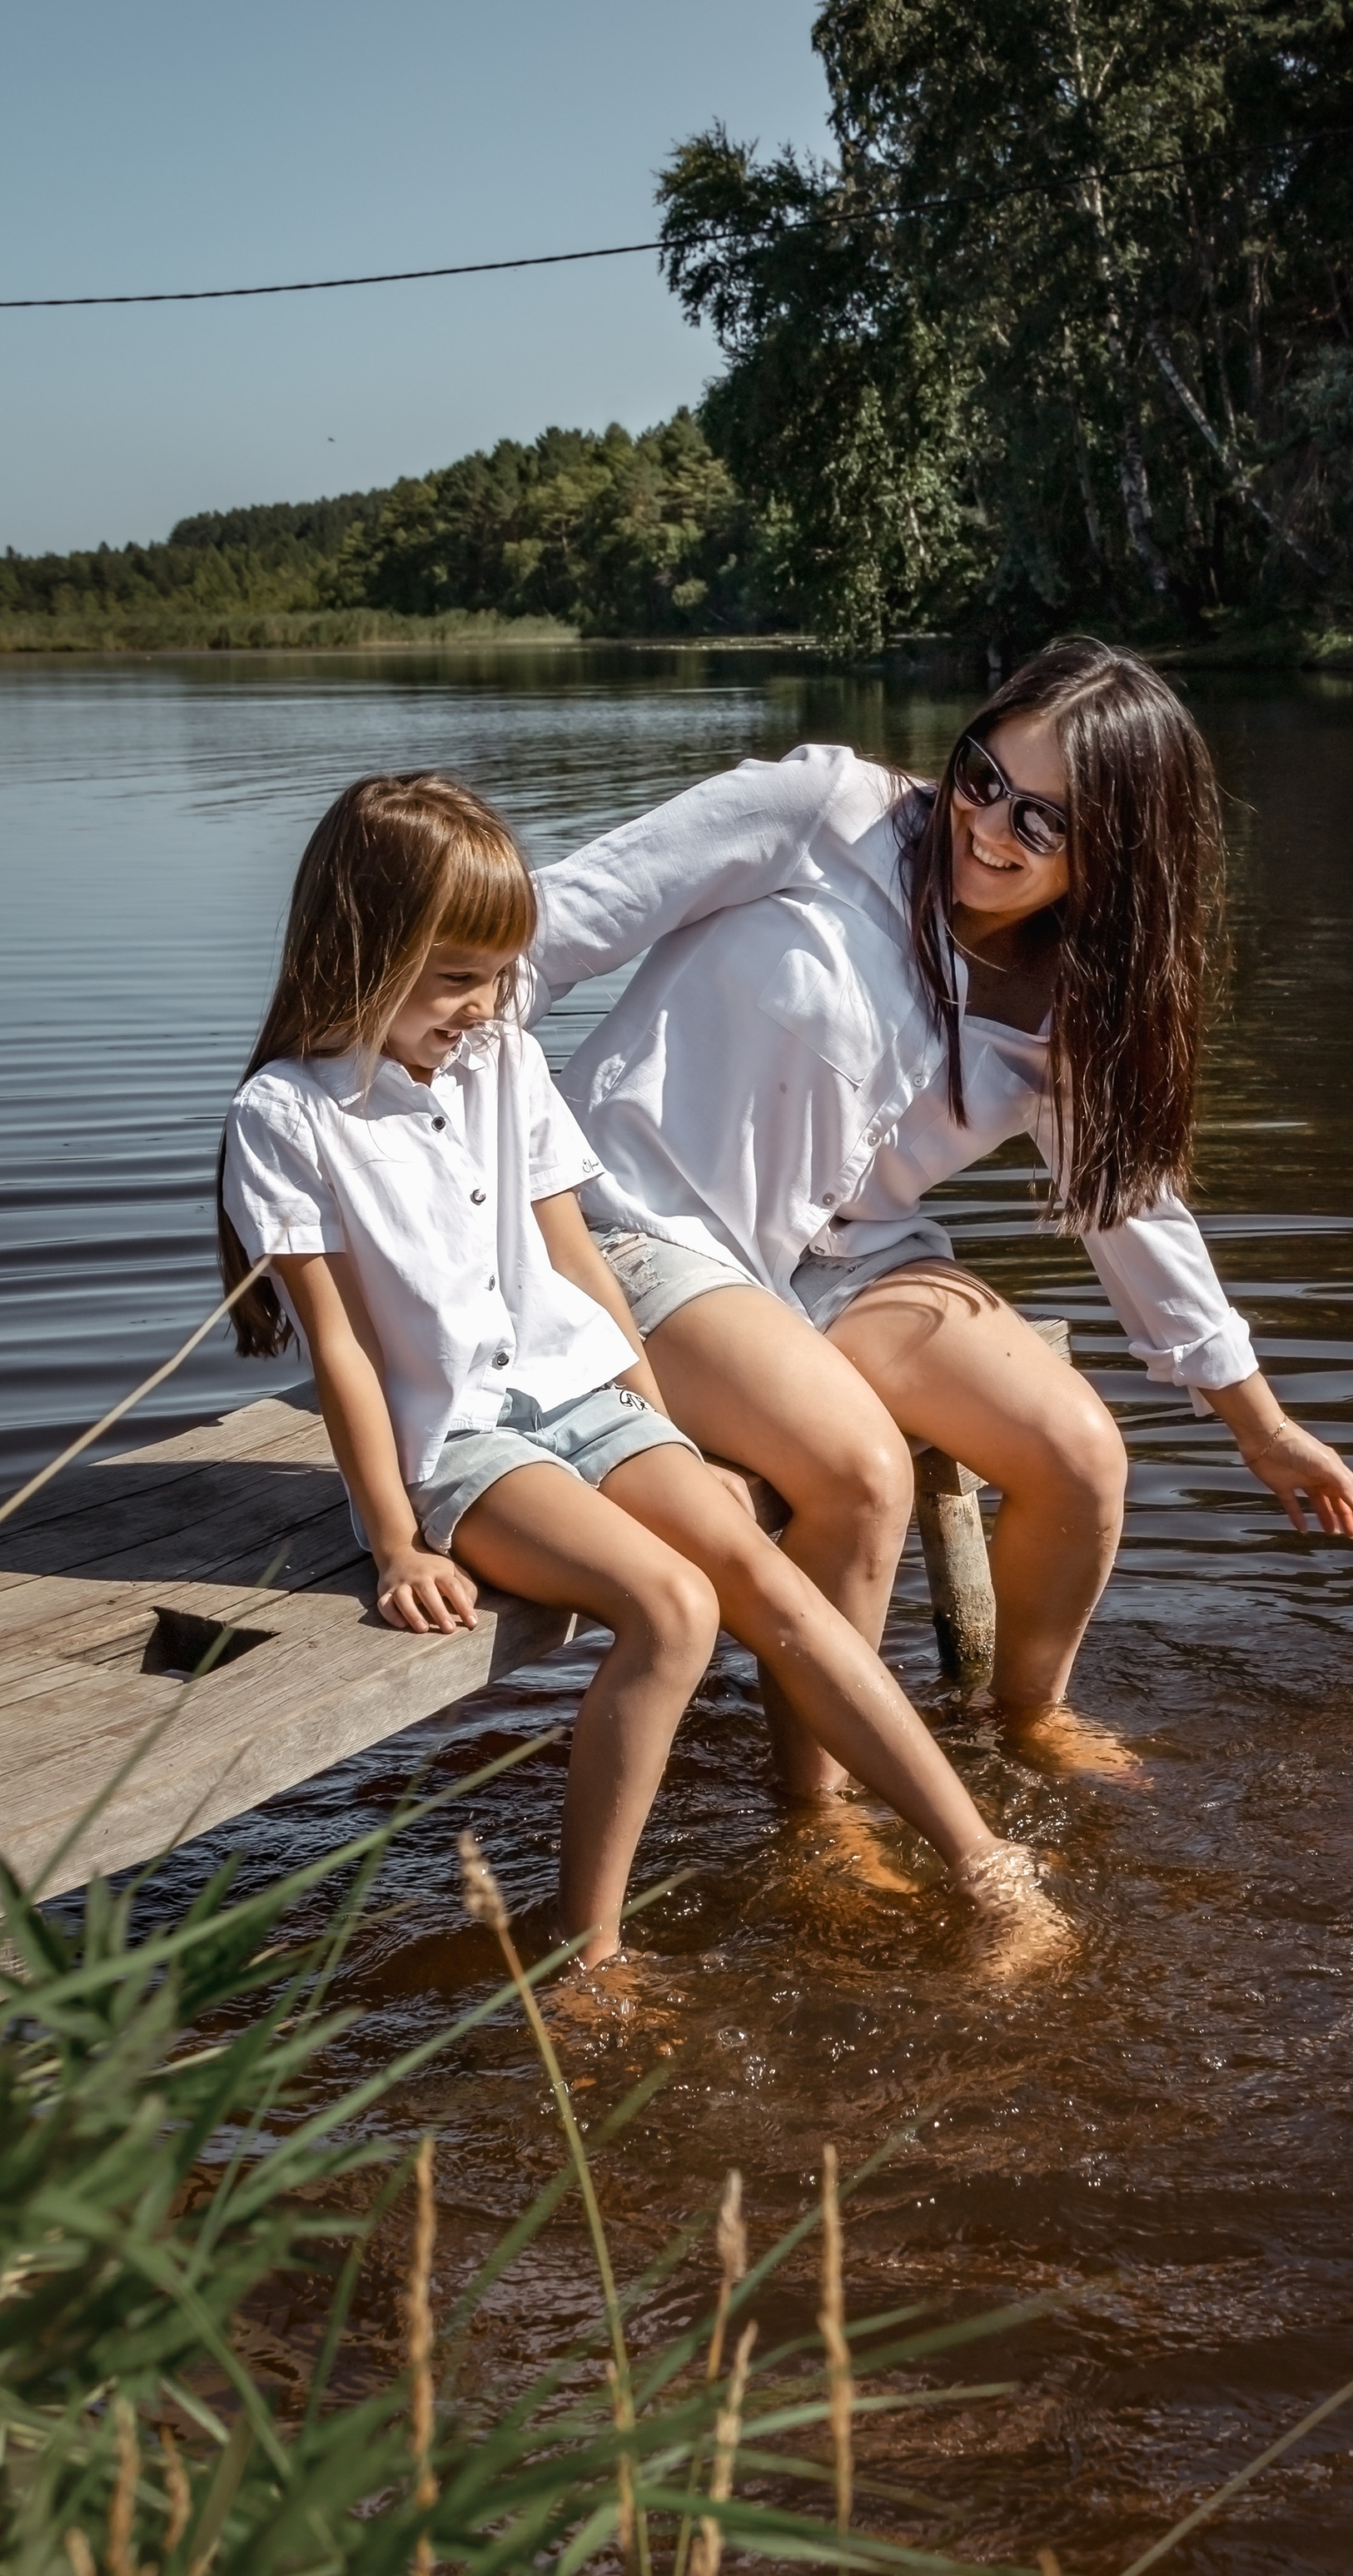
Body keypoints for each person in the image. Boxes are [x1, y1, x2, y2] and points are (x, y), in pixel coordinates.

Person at [217, 773, 1049, 1967]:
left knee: (770, 1585)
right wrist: (397, 1540)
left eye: (498, 974)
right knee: (672, 1610)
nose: (485, 1003)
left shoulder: (502, 1058)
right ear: (363, 949)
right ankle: (585, 1950)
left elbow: (577, 1261)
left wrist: (664, 1432)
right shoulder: (286, 1117)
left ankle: (986, 1870)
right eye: (455, 977)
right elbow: (343, 1349)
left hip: (586, 1395)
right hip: (464, 1444)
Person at [528, 637, 1353, 1793]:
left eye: (1044, 823)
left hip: (836, 1260)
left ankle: (1022, 1725)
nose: (987, 827)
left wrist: (1258, 1423)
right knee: (863, 1470)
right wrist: (417, 1154)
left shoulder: (1071, 1002)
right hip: (632, 1226)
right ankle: (819, 1816)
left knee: (1079, 1456)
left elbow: (1131, 1210)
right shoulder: (822, 813)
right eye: (983, 779)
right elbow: (547, 930)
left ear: (1117, 854)